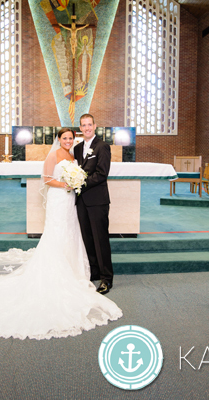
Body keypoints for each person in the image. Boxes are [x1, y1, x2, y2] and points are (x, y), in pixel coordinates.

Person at [0, 125, 121, 337]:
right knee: (57, 233)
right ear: (58, 139)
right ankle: (57, 272)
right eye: (64, 138)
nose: (68, 141)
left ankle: (76, 271)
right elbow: (46, 178)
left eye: (70, 138)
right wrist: (65, 185)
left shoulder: (74, 154)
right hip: (59, 198)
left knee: (72, 233)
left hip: (71, 200)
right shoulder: (54, 154)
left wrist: (74, 183)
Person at [74, 114, 114, 295]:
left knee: (100, 240)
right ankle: (94, 272)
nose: (87, 128)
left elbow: (102, 173)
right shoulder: (77, 148)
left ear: (95, 126)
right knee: (87, 239)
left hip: (97, 200)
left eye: (90, 125)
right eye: (84, 125)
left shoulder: (102, 146)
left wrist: (80, 183)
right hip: (81, 201)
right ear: (80, 128)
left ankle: (106, 279)